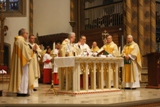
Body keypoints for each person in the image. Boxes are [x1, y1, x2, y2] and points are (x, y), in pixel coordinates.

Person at [8, 28, 36, 97]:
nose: (27, 35)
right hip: (23, 62)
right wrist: (32, 50)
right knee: (24, 75)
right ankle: (22, 92)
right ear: (23, 34)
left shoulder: (18, 40)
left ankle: (21, 91)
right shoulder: (21, 41)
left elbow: (25, 51)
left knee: (22, 76)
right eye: (26, 33)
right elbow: (26, 52)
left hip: (20, 61)